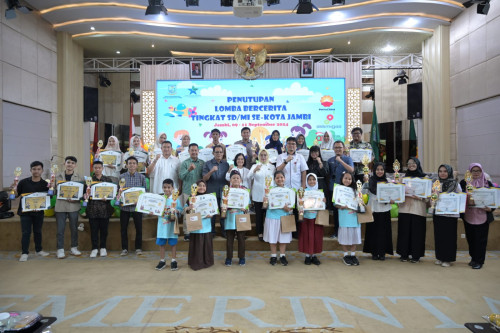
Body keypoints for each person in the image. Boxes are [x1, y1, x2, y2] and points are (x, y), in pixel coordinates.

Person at [14, 161, 50, 262]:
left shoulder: (45, 184)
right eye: (34, 169)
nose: (36, 171)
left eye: (38, 169)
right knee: (26, 232)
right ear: (30, 170)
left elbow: (48, 197)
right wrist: (13, 190)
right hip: (25, 212)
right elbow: (16, 195)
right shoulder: (23, 182)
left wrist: (53, 188)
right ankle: (24, 253)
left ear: (42, 170)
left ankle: (39, 250)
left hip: (39, 212)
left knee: (38, 232)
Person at [460, 163, 493, 269]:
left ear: (481, 171)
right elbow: (459, 197)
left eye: (478, 171)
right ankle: (473, 258)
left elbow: (495, 199)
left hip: (482, 216)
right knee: (471, 239)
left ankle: (479, 261)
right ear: (469, 172)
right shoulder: (464, 182)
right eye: (473, 171)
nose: (476, 173)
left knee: (481, 240)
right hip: (469, 216)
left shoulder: (487, 183)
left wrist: (491, 209)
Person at [396, 157, 428, 263]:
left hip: (418, 209)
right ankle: (404, 254)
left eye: (414, 163)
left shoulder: (425, 178)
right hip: (405, 208)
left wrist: (420, 197)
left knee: (417, 233)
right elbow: (398, 193)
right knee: (404, 232)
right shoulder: (404, 178)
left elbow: (429, 195)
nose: (411, 165)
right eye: (409, 163)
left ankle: (416, 255)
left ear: (418, 164)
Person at [276, 136, 309, 237]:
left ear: (296, 146)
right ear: (286, 146)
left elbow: (304, 172)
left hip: (297, 188)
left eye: (293, 144)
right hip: (284, 189)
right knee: (285, 209)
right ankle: (286, 231)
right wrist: (286, 161)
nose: (291, 146)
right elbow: (278, 170)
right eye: (289, 144)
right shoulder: (281, 156)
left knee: (297, 210)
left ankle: (296, 234)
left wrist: (303, 186)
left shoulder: (300, 157)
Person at [362, 162, 394, 260]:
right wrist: (365, 183)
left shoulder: (388, 181)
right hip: (373, 209)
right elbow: (363, 193)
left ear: (384, 171)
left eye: (381, 169)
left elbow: (393, 194)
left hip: (384, 209)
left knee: (384, 232)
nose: (379, 171)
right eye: (377, 169)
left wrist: (393, 199)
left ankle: (383, 252)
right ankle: (374, 252)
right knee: (373, 232)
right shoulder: (370, 180)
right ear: (374, 170)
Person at [55, 156, 84, 259]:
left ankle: (74, 247)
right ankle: (60, 249)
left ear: (75, 165)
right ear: (64, 164)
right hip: (60, 206)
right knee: (60, 229)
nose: (70, 164)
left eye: (72, 163)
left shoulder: (80, 178)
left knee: (74, 228)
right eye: (68, 162)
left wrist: (76, 199)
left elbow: (82, 193)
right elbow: (53, 191)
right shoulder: (57, 176)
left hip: (73, 206)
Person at [433, 164, 462, 268]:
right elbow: (433, 199)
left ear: (449, 172)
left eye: (445, 171)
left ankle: (448, 259)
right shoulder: (436, 183)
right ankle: (440, 257)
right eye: (440, 171)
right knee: (439, 236)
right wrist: (434, 194)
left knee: (449, 237)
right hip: (438, 213)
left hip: (450, 215)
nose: (442, 173)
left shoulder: (455, 184)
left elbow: (460, 198)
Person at [264, 171, 294, 266]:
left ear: (284, 178)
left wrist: (288, 209)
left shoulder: (290, 191)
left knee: (283, 238)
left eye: (281, 177)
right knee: (272, 238)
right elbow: (265, 205)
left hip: (284, 217)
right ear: (274, 179)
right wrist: (265, 200)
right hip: (272, 217)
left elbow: (291, 208)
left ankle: (282, 256)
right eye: (277, 178)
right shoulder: (269, 190)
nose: (279, 179)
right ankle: (273, 256)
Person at [119, 156, 147, 256]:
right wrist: (121, 198)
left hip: (137, 207)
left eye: (134, 163)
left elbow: (145, 193)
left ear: (137, 165)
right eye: (129, 163)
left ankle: (138, 248)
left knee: (139, 228)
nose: (131, 165)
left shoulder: (142, 177)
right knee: (123, 228)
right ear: (126, 165)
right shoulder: (121, 177)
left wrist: (139, 201)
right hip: (125, 207)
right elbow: (119, 193)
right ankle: (124, 248)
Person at [85, 161, 114, 258]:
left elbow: (112, 195)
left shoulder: (108, 180)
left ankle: (103, 248)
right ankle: (94, 248)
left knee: (104, 230)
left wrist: (108, 198)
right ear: (93, 169)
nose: (97, 169)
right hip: (92, 209)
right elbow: (84, 195)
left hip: (104, 209)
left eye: (99, 168)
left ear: (102, 168)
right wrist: (85, 196)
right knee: (93, 230)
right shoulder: (89, 180)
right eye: (95, 168)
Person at [185, 179, 214, 271]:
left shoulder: (210, 197)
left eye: (204, 185)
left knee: (205, 243)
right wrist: (189, 208)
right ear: (196, 187)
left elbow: (214, 210)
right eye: (200, 185)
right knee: (197, 244)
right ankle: (196, 262)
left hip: (206, 224)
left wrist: (212, 214)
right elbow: (185, 209)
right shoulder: (191, 198)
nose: (202, 187)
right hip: (195, 225)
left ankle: (207, 261)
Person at [327, 141, 354, 238]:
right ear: (333, 149)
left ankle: (345, 232)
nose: (338, 149)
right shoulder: (330, 160)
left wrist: (340, 161)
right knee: (335, 211)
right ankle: (337, 232)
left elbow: (351, 170)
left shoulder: (348, 159)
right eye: (336, 147)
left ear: (343, 148)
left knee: (345, 211)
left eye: (340, 147)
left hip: (345, 190)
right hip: (333, 189)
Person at [248, 149, 276, 241]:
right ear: (259, 156)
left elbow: (275, 181)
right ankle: (260, 233)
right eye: (261, 155)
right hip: (258, 195)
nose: (263, 157)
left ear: (268, 156)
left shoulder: (272, 167)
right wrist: (254, 171)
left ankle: (269, 233)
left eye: (265, 155)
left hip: (269, 196)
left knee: (269, 216)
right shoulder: (255, 166)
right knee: (259, 216)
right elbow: (248, 177)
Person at [223, 170, 249, 266]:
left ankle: (242, 257)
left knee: (241, 238)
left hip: (241, 216)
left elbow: (248, 205)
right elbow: (223, 203)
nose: (235, 179)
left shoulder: (245, 191)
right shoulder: (226, 190)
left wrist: (245, 207)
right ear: (230, 180)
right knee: (229, 239)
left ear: (241, 180)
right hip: (230, 216)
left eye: (237, 178)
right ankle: (229, 258)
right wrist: (225, 206)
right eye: (233, 178)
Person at [335, 172, 362, 266]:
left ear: (352, 180)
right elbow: (335, 204)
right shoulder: (338, 189)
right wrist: (341, 206)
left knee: (355, 236)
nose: (347, 180)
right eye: (345, 178)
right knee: (344, 236)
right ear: (342, 179)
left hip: (354, 217)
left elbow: (360, 202)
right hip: (344, 216)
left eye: (349, 179)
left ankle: (353, 255)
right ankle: (346, 254)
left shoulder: (356, 190)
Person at [202, 145, 230, 236]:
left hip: (223, 193)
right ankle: (212, 232)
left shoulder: (226, 164)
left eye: (220, 152)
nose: (219, 154)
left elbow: (229, 178)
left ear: (223, 153)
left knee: (224, 213)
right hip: (211, 193)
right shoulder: (207, 164)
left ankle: (224, 232)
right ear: (213, 153)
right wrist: (211, 171)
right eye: (217, 152)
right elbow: (204, 179)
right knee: (212, 214)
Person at [179, 143, 204, 241]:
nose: (194, 152)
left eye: (195, 150)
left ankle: (196, 231)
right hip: (187, 191)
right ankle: (187, 233)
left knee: (198, 212)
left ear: (198, 151)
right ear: (189, 151)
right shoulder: (185, 163)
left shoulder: (202, 163)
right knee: (187, 213)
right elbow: (181, 177)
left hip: (199, 192)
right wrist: (189, 170)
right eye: (192, 150)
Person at [155, 179, 182, 271]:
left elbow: (180, 210)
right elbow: (155, 210)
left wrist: (177, 211)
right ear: (162, 188)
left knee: (173, 243)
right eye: (165, 187)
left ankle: (173, 261)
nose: (167, 189)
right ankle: (162, 261)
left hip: (172, 227)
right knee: (161, 244)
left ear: (173, 188)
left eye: (169, 187)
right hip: (162, 226)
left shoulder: (176, 199)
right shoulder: (160, 199)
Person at [299, 173, 325, 265]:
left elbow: (323, 206)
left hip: (317, 218)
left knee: (316, 236)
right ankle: (307, 256)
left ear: (316, 181)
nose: (311, 181)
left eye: (313, 179)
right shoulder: (303, 192)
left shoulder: (320, 193)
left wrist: (324, 201)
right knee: (306, 236)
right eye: (309, 179)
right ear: (306, 181)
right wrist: (300, 202)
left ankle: (314, 255)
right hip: (306, 217)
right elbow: (299, 205)